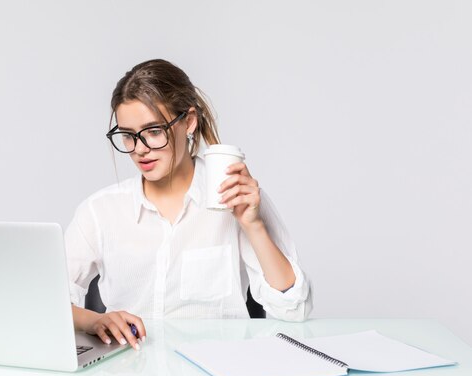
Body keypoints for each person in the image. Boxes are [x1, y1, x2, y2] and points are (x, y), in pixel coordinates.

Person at [65, 59, 312, 351]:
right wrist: (93, 321)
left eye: (153, 131)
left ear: (189, 122)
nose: (140, 149)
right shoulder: (99, 211)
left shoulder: (234, 194)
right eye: (128, 136)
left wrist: (253, 226)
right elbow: (42, 301)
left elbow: (294, 309)